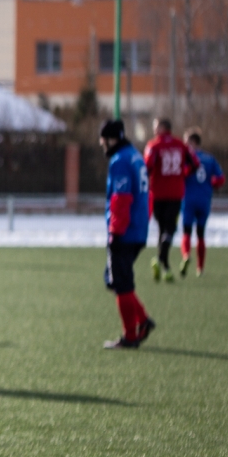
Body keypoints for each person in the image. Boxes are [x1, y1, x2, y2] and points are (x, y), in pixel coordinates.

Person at [99, 119, 154, 349]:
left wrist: (115, 231)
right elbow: (148, 195)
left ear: (111, 139)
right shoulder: (135, 156)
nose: (102, 144)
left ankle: (130, 336)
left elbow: (121, 199)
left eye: (103, 140)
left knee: (121, 284)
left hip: (125, 231)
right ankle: (143, 320)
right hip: (137, 229)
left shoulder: (120, 160)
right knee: (115, 280)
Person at [143, 117, 197, 283]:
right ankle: (163, 263)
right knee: (169, 229)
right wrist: (182, 174)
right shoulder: (181, 145)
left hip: (158, 193)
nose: (154, 129)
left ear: (162, 128)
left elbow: (147, 167)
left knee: (163, 229)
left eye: (156, 126)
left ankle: (163, 265)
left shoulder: (153, 146)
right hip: (175, 193)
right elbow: (195, 163)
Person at [180, 128, 225, 277]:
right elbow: (221, 179)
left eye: (187, 142)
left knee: (186, 231)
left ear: (193, 142)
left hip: (188, 199)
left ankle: (186, 255)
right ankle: (200, 268)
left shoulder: (186, 158)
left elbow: (181, 175)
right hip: (204, 200)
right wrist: (209, 184)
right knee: (201, 234)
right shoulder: (210, 159)